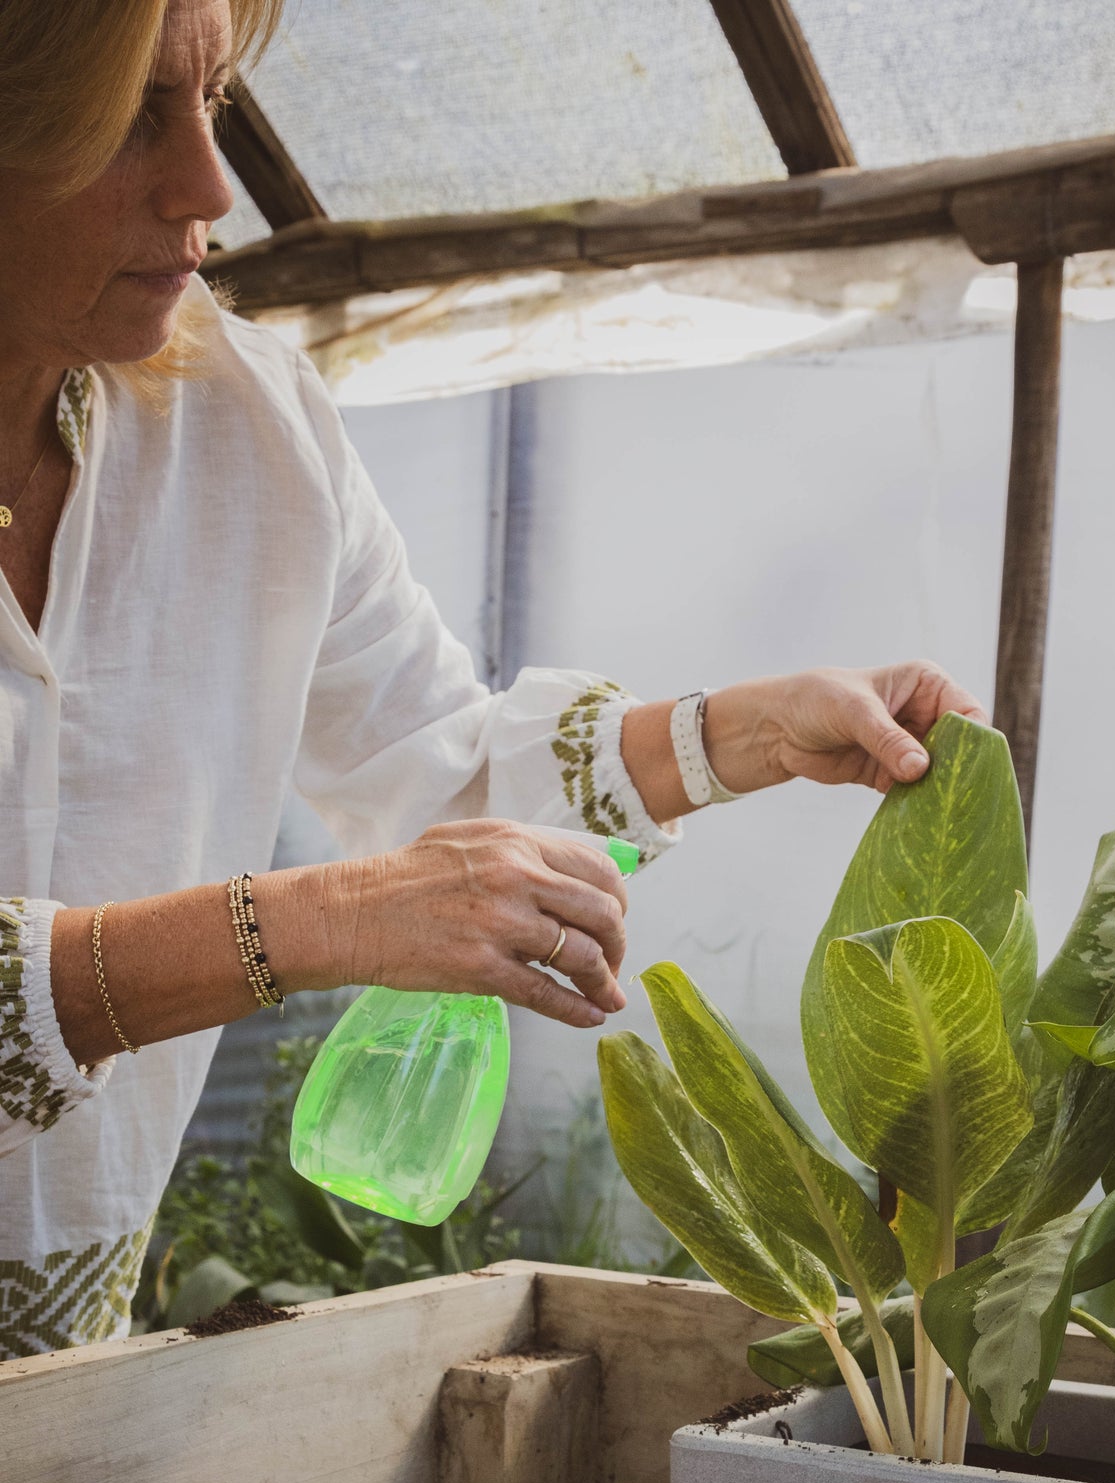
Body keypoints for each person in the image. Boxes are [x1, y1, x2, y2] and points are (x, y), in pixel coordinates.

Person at [0, 0, 983, 1360]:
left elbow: (433, 765)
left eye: (215, 102)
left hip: (67, 1352)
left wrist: (736, 735)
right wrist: (316, 922)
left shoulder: (247, 427)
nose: (209, 188)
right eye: (131, 119)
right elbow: (367, 890)